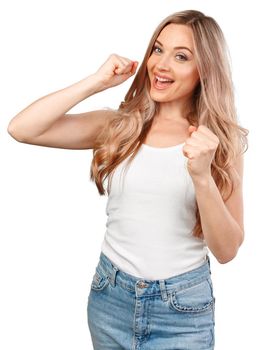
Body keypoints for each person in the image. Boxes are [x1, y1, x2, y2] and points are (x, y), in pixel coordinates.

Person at [7, 9, 248, 350]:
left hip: (181, 311)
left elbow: (226, 251)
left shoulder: (220, 142)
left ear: (204, 70)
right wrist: (96, 82)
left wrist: (202, 178)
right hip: (111, 298)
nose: (161, 65)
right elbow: (22, 129)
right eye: (158, 49)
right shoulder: (120, 125)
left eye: (181, 57)